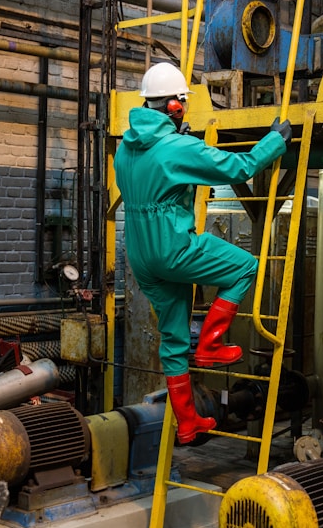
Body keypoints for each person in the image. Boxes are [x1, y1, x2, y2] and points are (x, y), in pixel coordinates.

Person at [114, 62, 292, 444]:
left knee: (174, 340)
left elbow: (154, 185)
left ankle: (189, 422)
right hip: (172, 248)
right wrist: (274, 141)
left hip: (141, 255)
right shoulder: (178, 147)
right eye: (183, 104)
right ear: (176, 106)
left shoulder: (124, 150)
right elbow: (238, 168)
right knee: (245, 267)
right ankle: (211, 343)